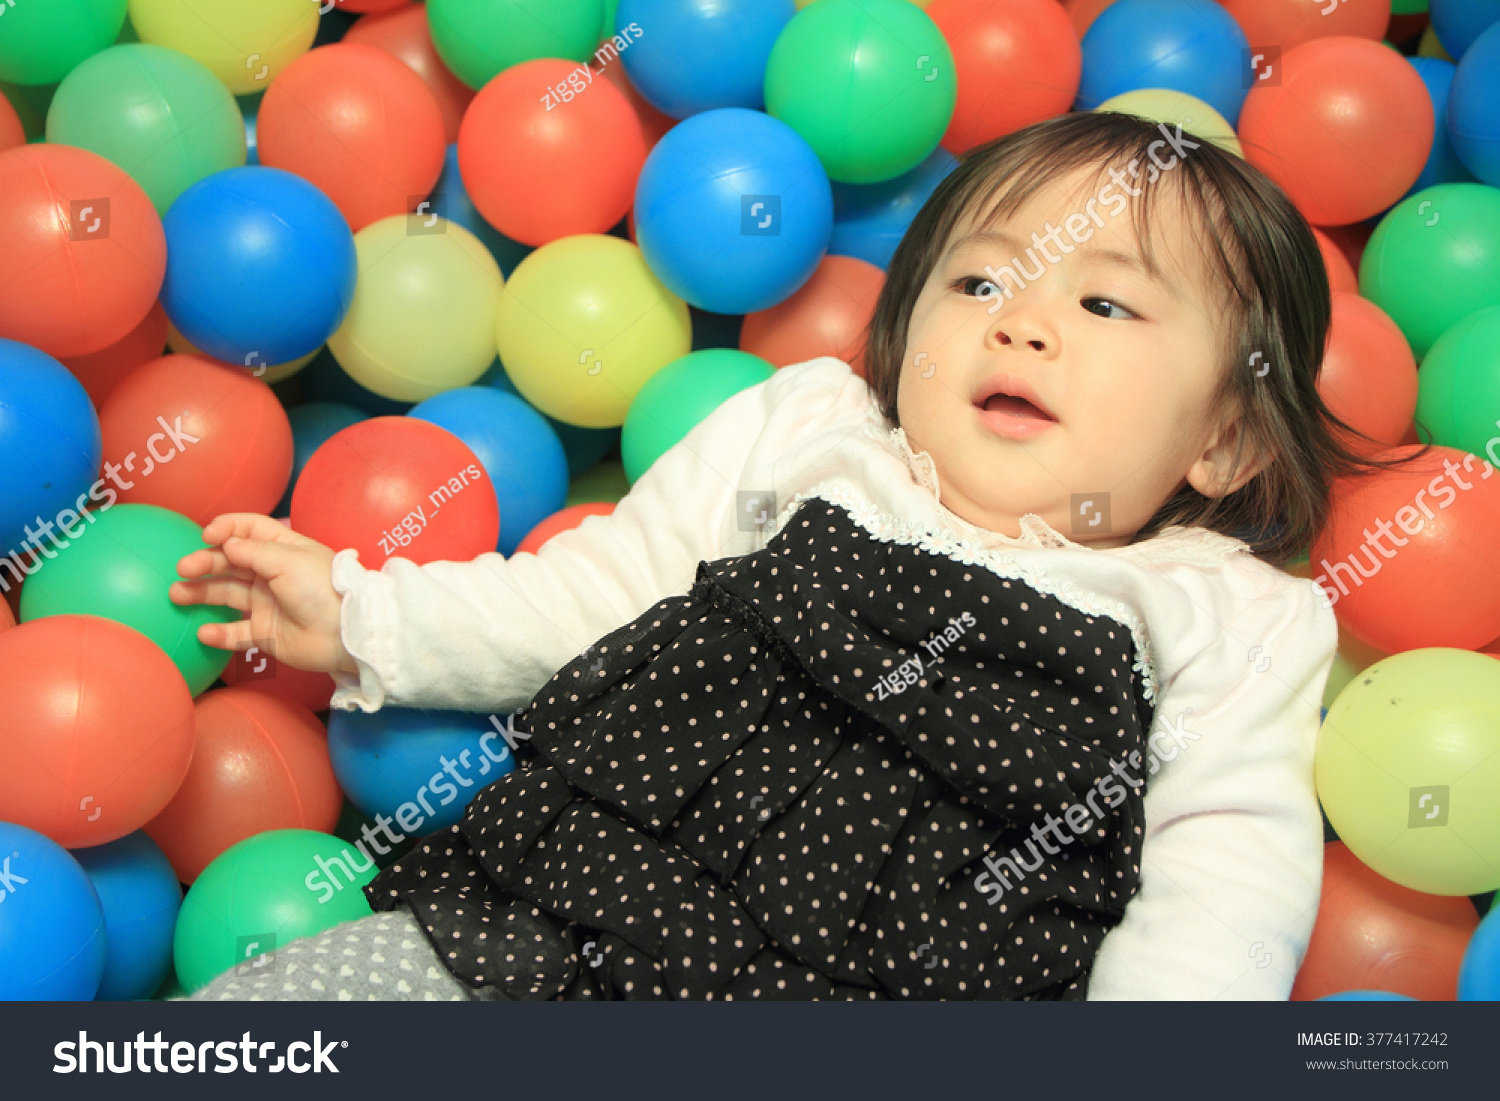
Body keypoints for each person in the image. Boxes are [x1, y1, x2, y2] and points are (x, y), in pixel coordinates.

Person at [172, 111, 1418, 1002]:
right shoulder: (819, 433)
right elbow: (599, 595)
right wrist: (360, 617)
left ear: (1225, 436)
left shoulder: (1225, 612)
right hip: (567, 919)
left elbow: (1223, 878)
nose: (1024, 321)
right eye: (980, 282)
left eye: (1105, 305)